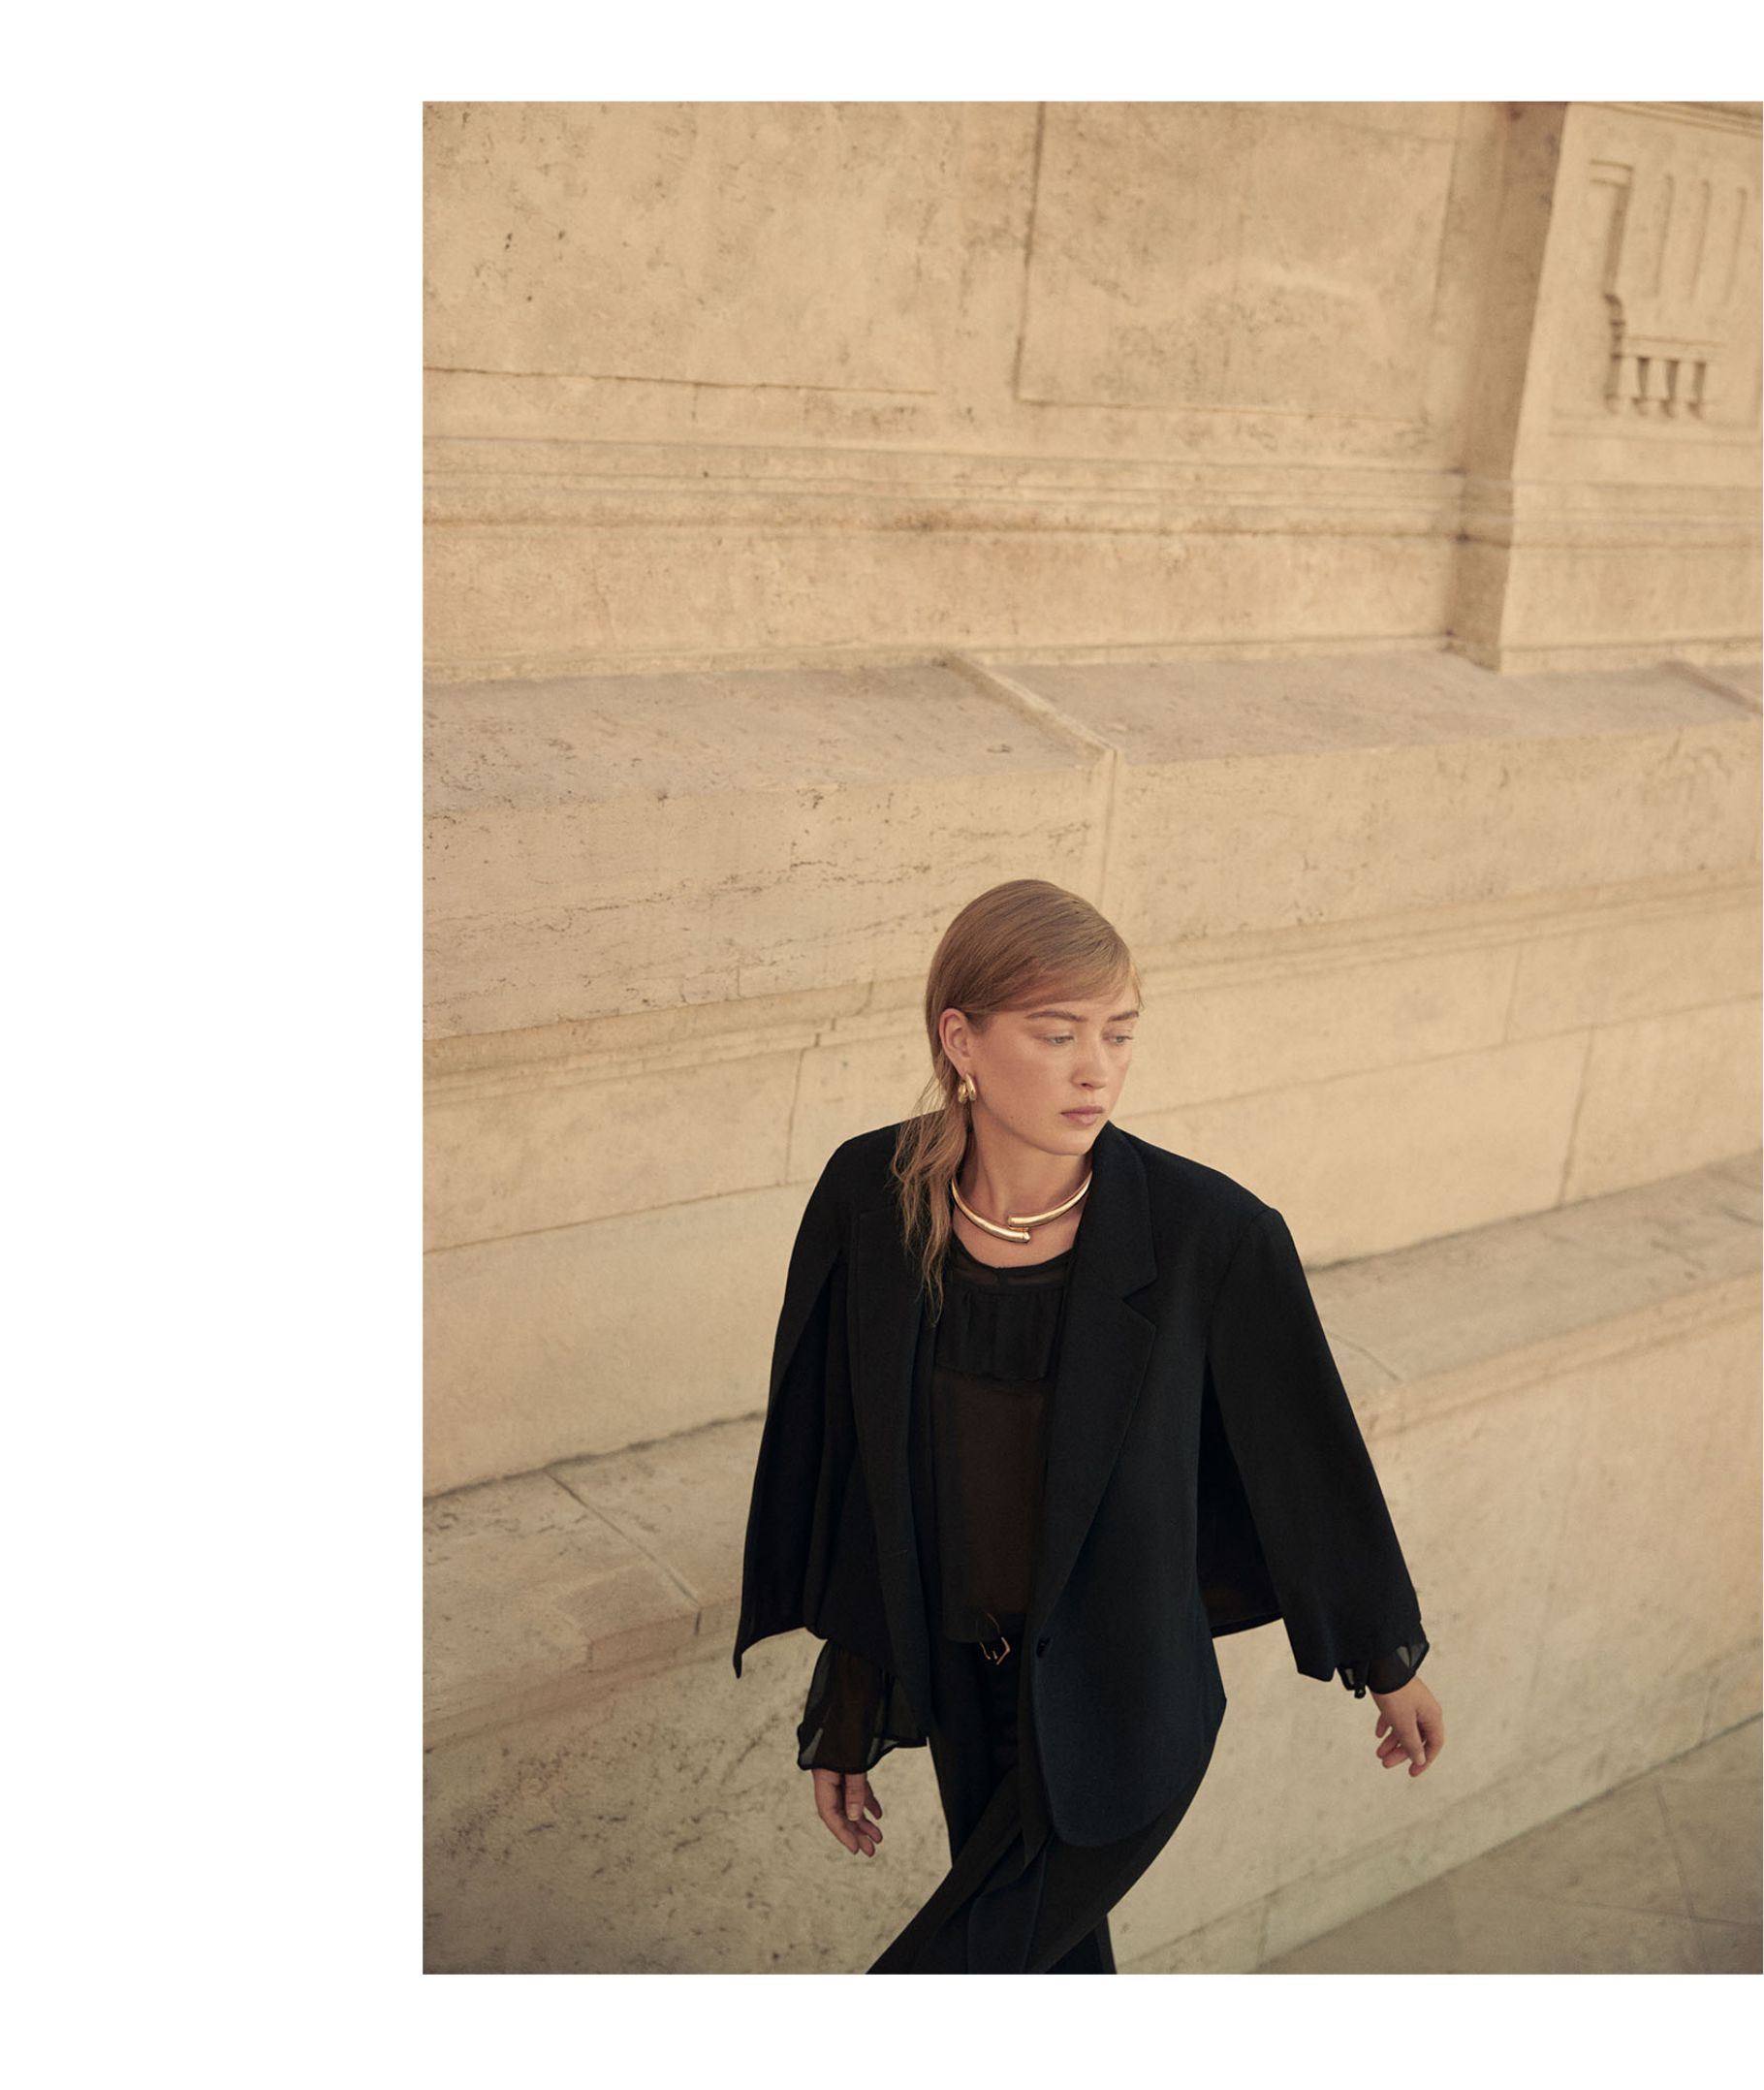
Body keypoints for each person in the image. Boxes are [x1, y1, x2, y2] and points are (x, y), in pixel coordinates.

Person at [734, 879, 1445, 1974]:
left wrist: (1385, 1657)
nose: (1095, 1069)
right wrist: (853, 1694)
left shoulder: (1208, 1232)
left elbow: (1304, 1455)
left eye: (1118, 1032)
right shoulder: (868, 1198)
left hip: (1127, 1697)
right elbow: (858, 1466)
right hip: (961, 1683)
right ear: (960, 1040)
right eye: (1056, 1031)